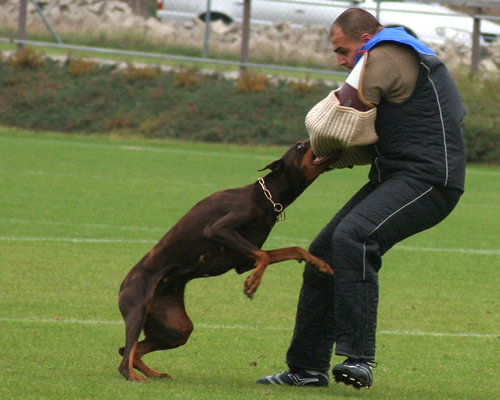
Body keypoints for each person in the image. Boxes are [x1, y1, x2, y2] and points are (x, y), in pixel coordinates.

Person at [256, 8, 466, 389]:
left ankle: (359, 359)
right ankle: (305, 370)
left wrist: (310, 154)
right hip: (395, 175)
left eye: (342, 50)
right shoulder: (395, 51)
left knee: (355, 237)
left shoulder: (385, 52)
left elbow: (338, 120)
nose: (339, 60)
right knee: (324, 253)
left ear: (365, 40)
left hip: (430, 181)